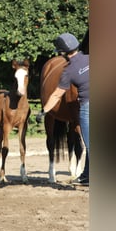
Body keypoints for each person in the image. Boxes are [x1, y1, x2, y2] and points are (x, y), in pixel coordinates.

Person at [36, 32, 89, 185]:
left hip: (86, 108)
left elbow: (56, 95)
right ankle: (86, 176)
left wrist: (44, 111)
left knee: (90, 145)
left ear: (62, 52)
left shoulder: (68, 71)